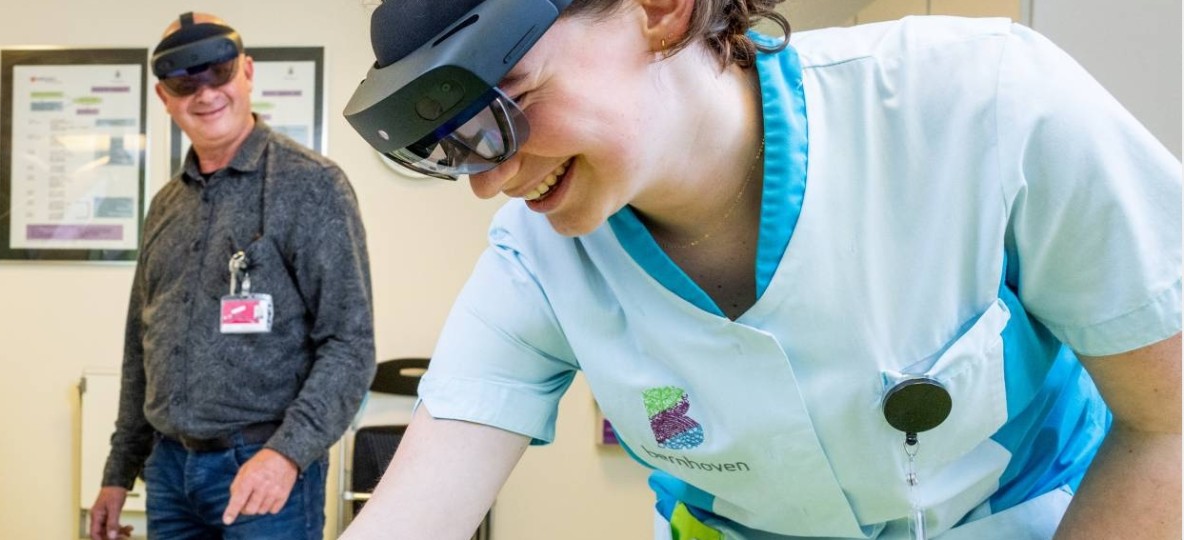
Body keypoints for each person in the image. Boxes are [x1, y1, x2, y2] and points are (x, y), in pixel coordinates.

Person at [336, 0, 1180, 538]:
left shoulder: (982, 102)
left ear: (660, 10)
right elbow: (411, 516)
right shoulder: (537, 257)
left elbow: (1170, 423)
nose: (489, 178)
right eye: (453, 148)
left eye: (507, 102)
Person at [89, 11, 378, 540]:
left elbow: (349, 344)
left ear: (246, 71)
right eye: (184, 83)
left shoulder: (311, 186)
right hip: (169, 472)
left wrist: (286, 455)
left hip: (264, 468)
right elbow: (140, 349)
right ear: (163, 97)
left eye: (217, 74)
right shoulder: (165, 206)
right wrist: (117, 474)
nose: (204, 95)